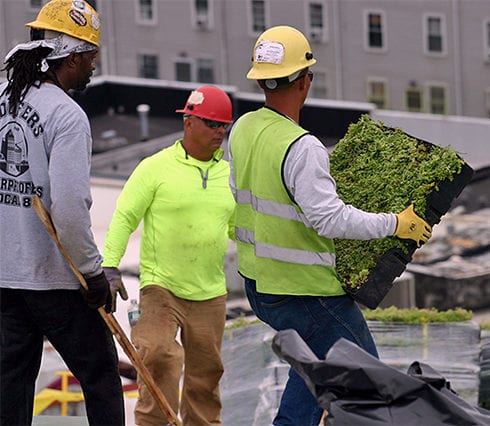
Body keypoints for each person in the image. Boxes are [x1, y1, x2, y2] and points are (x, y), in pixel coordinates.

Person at [229, 25, 432, 426]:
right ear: (305, 81)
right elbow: (329, 218)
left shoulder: (243, 128)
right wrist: (395, 224)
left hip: (258, 283)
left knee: (313, 366)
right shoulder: (301, 147)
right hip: (304, 291)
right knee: (366, 380)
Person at [0, 1, 125, 425]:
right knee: (101, 379)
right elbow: (69, 209)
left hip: (3, 280)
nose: (92, 67)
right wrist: (93, 275)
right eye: (90, 58)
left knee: (9, 389)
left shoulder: (2, 97)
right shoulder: (66, 115)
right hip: (54, 281)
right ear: (71, 58)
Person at [102, 85, 235, 425]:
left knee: (205, 381)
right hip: (161, 288)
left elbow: (241, 231)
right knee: (159, 356)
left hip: (210, 293)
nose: (219, 132)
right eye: (211, 124)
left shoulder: (230, 176)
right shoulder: (155, 168)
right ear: (189, 122)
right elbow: (124, 217)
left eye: (224, 126)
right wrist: (110, 266)